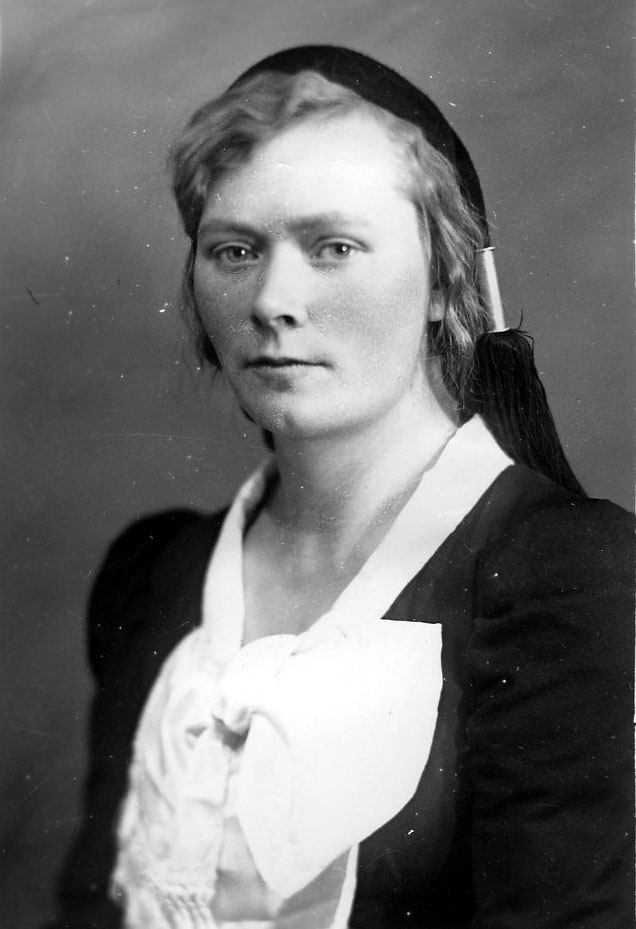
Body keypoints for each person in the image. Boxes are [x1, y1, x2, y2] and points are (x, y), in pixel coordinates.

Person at [48, 46, 633, 929]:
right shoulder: (156, 572)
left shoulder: (559, 574)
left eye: (334, 247)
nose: (272, 300)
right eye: (235, 249)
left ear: (443, 280)